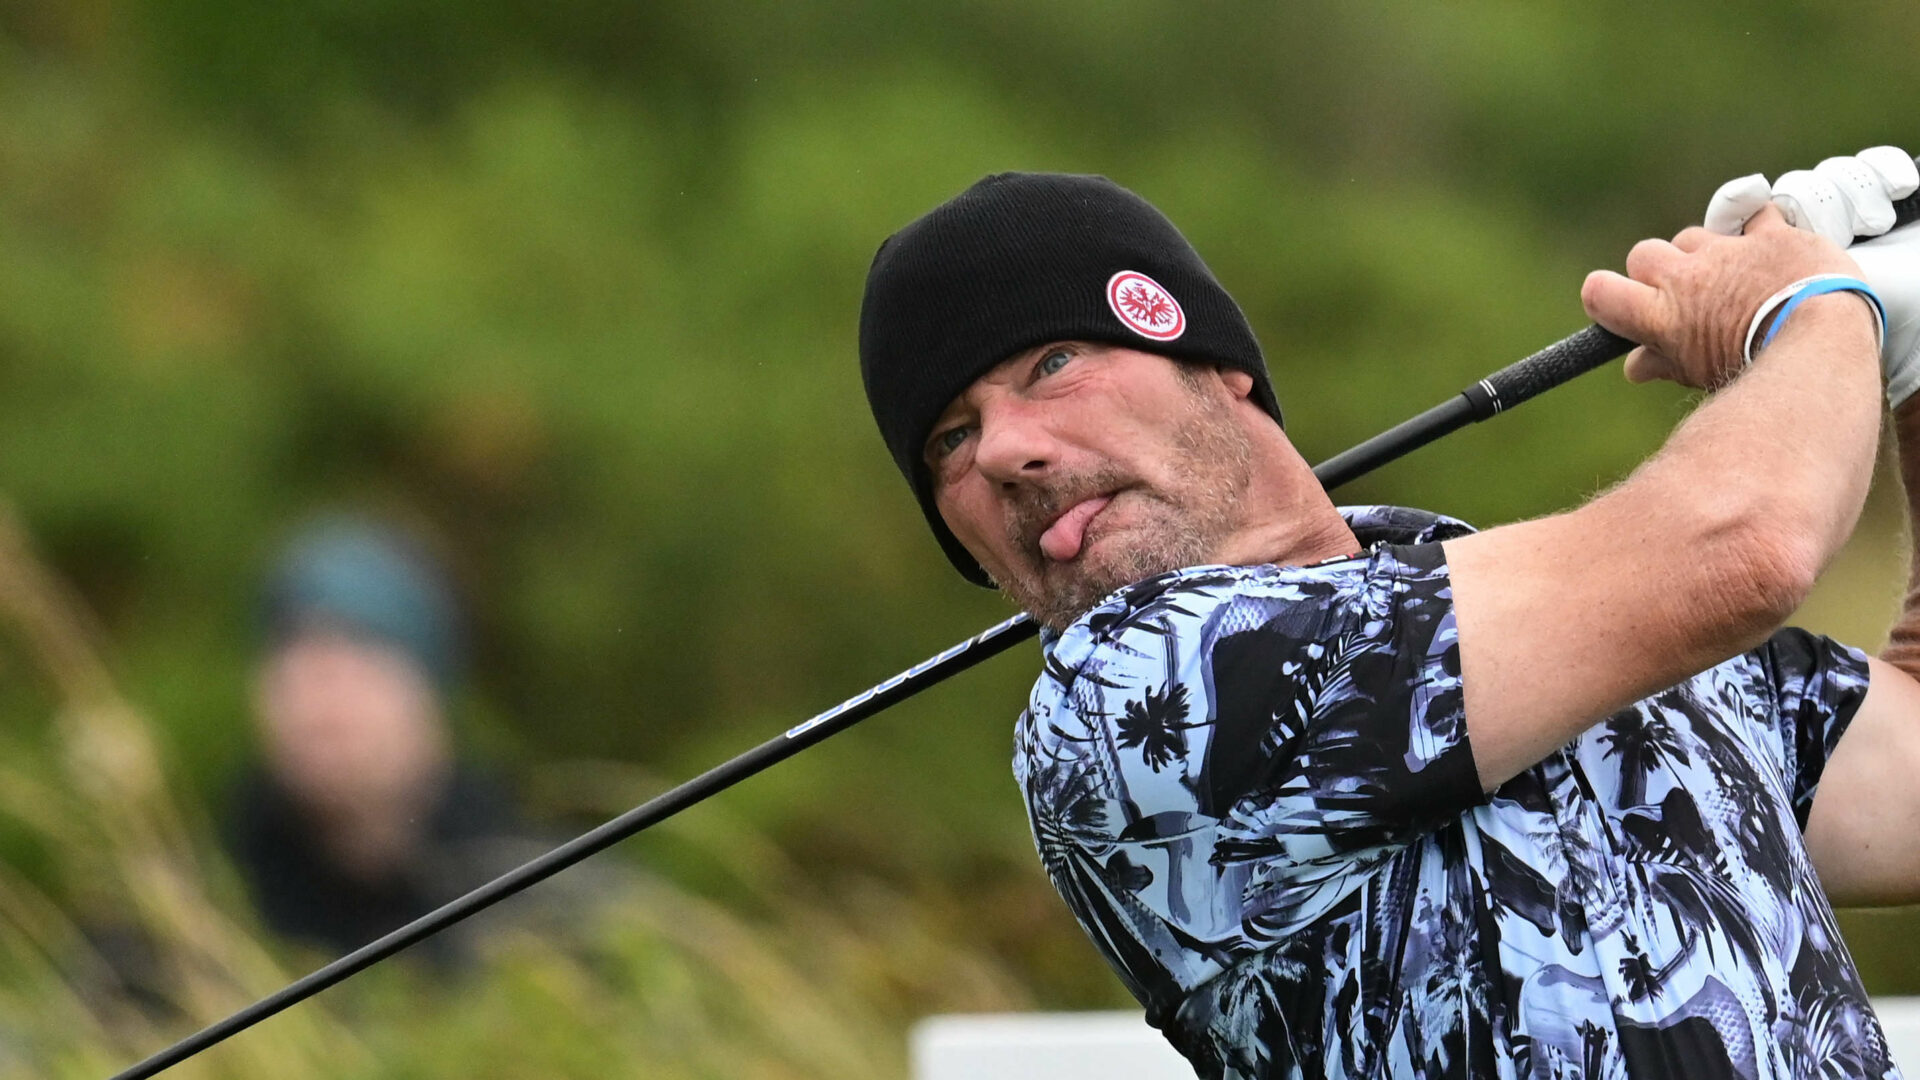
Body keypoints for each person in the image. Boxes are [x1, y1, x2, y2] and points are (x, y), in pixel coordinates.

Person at [855, 153, 1920, 1079]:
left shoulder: (1511, 605)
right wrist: (1821, 309)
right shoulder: (1129, 703)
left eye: (1052, 365)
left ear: (1214, 363)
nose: (1002, 452)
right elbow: (1749, 548)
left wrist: (1912, 370)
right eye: (951, 439)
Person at [224, 515, 527, 966]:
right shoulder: (189, 920)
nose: (321, 690)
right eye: (295, 654)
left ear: (432, 696)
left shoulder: (549, 910)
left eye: (362, 654)